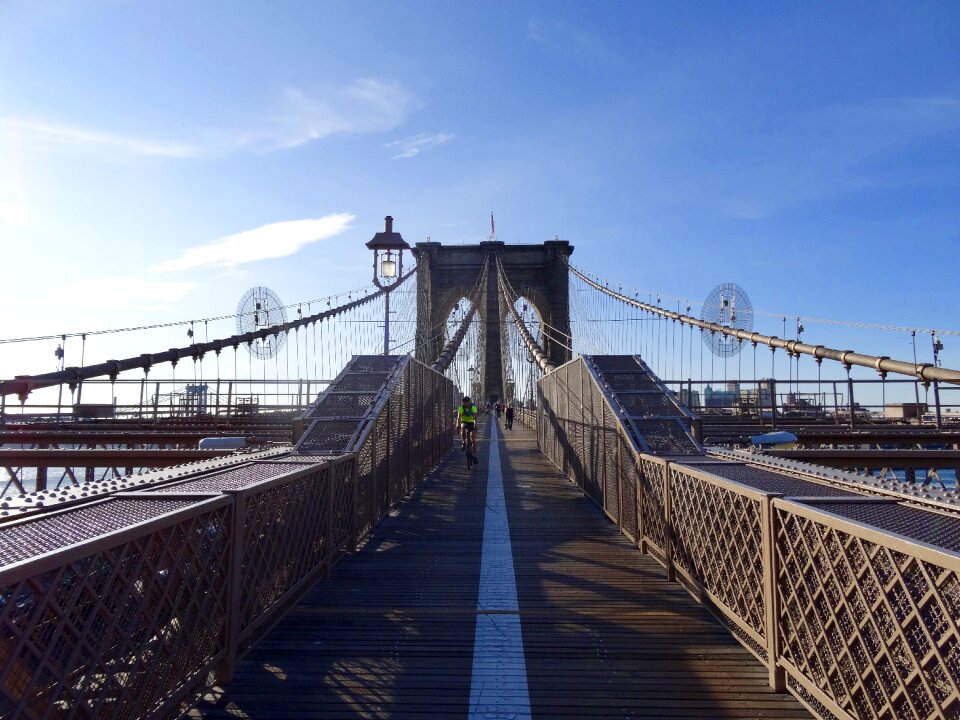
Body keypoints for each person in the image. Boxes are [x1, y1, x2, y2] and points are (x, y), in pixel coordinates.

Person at [456, 395, 479, 461]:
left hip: (471, 422)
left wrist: (475, 424)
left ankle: (475, 455)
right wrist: (458, 425)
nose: (465, 403)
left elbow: (475, 418)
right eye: (464, 402)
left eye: (466, 402)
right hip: (464, 421)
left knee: (474, 439)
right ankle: (463, 441)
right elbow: (459, 418)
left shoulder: (473, 408)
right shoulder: (461, 408)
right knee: (462, 429)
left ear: (469, 402)